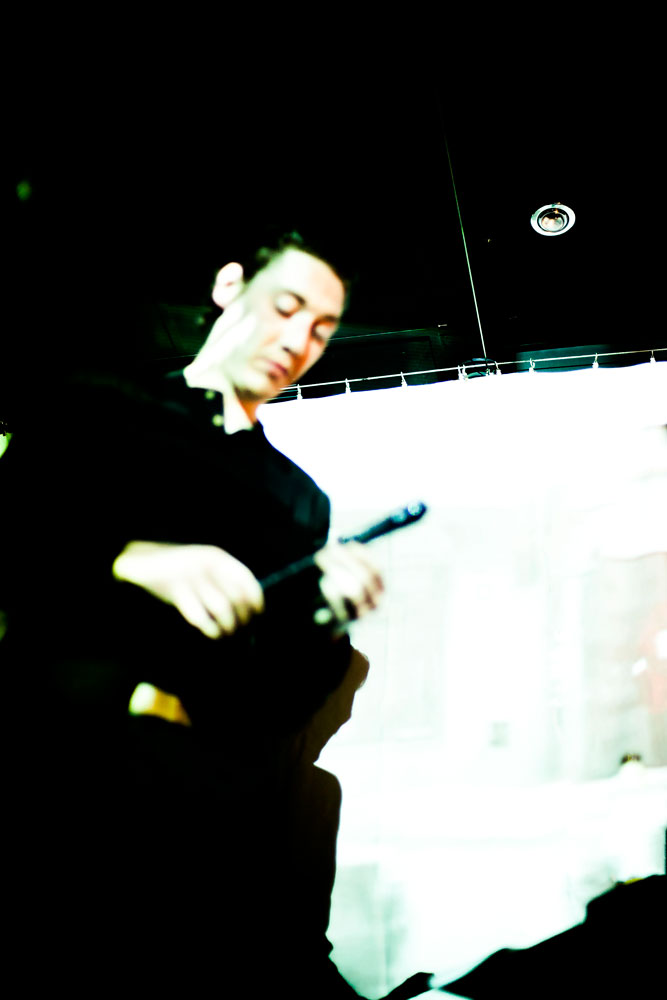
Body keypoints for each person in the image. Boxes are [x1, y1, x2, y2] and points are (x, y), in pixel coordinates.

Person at [1, 231, 431, 998]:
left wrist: (325, 620)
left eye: (320, 329)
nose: (298, 341)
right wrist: (130, 557)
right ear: (230, 286)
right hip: (60, 793)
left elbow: (285, 700)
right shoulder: (90, 413)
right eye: (287, 308)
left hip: (212, 817)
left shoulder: (299, 499)